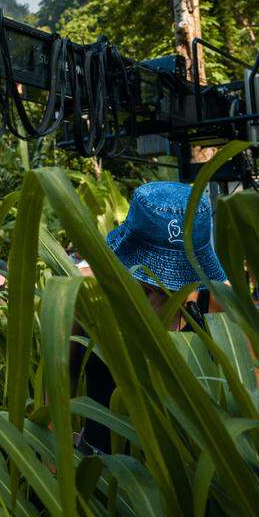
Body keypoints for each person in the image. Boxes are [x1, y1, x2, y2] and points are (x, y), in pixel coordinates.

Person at [76, 181, 228, 454]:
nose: (166, 295)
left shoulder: (216, 300)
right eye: (150, 287)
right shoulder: (88, 290)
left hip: (186, 475)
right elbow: (61, 380)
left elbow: (257, 401)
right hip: (102, 473)